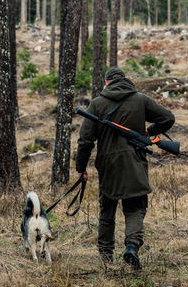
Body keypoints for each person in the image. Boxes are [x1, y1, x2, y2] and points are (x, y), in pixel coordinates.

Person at [75, 66, 175, 269]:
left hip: (107, 164)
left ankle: (105, 258)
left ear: (106, 82)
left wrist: (81, 167)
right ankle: (131, 246)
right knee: (135, 208)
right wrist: (149, 132)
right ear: (126, 80)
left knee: (107, 210)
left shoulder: (96, 104)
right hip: (134, 162)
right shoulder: (141, 99)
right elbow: (168, 118)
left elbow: (85, 140)